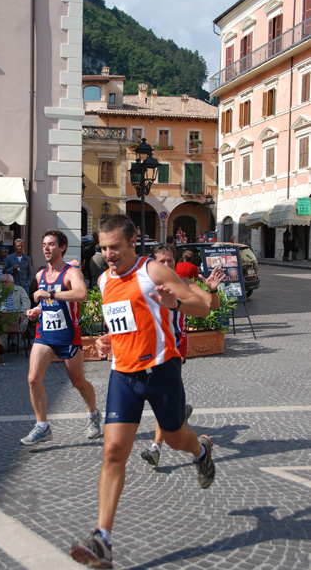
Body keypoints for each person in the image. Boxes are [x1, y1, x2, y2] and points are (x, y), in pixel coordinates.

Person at [70, 215, 215, 569]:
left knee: (178, 438)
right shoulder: (104, 280)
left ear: (133, 241)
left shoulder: (154, 272)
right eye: (103, 248)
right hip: (123, 375)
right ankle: (102, 538)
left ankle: (201, 450)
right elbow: (123, 323)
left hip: (160, 371)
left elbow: (204, 306)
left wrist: (176, 305)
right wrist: (107, 340)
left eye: (115, 247)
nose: (108, 255)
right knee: (113, 452)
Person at [140, 243, 226, 467]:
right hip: (151, 346)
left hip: (176, 347)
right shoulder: (143, 286)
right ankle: (180, 412)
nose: (167, 265)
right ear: (153, 263)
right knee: (165, 396)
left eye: (170, 261)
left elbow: (211, 305)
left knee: (161, 394)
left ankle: (156, 447)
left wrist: (212, 289)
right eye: (162, 261)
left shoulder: (184, 284)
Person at [21, 230, 101, 445]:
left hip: (68, 336)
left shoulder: (70, 272)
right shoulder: (40, 275)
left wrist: (50, 295)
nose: (46, 248)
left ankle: (93, 415)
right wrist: (38, 310)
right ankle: (42, 426)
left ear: (62, 247)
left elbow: (81, 294)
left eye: (51, 244)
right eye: (44, 244)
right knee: (33, 379)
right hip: (45, 334)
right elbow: (46, 302)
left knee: (78, 382)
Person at [0, 274, 30, 353]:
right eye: (1, 282)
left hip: (17, 313)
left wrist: (23, 312)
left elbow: (26, 302)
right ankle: (0, 345)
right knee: (0, 322)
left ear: (11, 282)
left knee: (24, 322)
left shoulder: (19, 289)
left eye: (5, 282)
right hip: (3, 314)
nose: (3, 284)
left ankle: (15, 343)